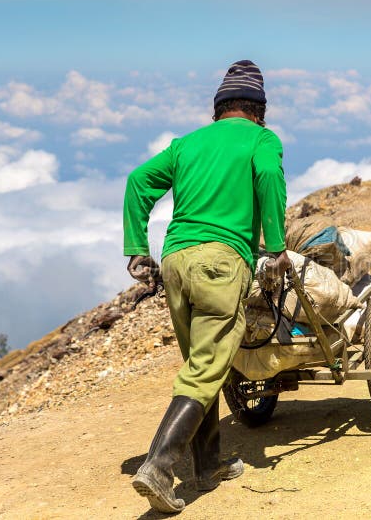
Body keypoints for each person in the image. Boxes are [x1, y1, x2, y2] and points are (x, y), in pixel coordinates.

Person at [122, 59, 291, 513]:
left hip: (176, 262)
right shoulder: (261, 139)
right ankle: (159, 467)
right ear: (259, 110)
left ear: (218, 108)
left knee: (203, 363)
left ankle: (208, 465)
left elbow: (138, 181)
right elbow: (269, 177)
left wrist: (137, 248)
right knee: (205, 367)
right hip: (221, 263)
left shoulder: (187, 144)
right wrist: (276, 247)